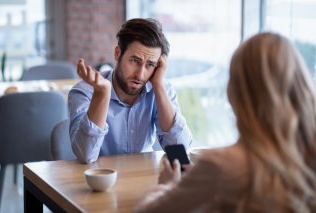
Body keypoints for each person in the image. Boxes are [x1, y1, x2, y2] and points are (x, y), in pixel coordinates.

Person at [133, 32, 316, 212]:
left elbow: (144, 210)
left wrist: (168, 186)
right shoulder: (307, 155)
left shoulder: (220, 166)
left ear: (235, 92)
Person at [68, 18, 192, 164]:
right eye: (134, 61)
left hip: (144, 179)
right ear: (117, 53)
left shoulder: (161, 89)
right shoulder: (84, 91)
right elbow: (86, 155)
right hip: (99, 181)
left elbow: (180, 150)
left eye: (150, 65)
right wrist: (102, 94)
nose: (140, 75)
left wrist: (158, 85)